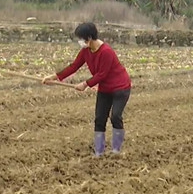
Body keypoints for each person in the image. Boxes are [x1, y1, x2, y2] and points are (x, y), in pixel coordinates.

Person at [42, 22, 132, 157]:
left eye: (81, 39)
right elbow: (74, 66)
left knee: (115, 116)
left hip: (120, 88)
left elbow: (102, 74)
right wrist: (54, 77)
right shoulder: (86, 51)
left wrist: (85, 84)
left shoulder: (106, 51)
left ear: (89, 38)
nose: (80, 42)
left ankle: (116, 150)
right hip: (105, 89)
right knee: (99, 119)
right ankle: (99, 151)